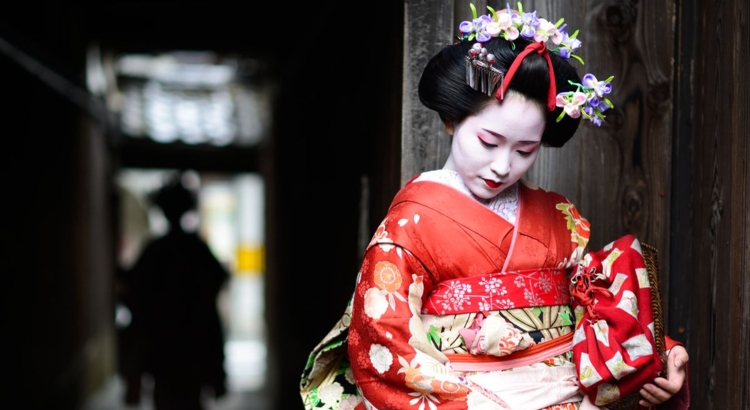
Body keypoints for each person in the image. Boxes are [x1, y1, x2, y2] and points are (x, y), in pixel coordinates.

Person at [300, 3, 689, 410]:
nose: (504, 165)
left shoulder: (558, 216)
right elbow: (382, 337)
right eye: (488, 142)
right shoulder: (411, 224)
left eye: (525, 150)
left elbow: (596, 307)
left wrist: (661, 352)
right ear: (452, 118)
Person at [119, 172, 229, 410]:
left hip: (162, 348)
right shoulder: (196, 249)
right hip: (194, 346)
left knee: (165, 399)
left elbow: (135, 295)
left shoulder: (155, 251)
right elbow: (217, 281)